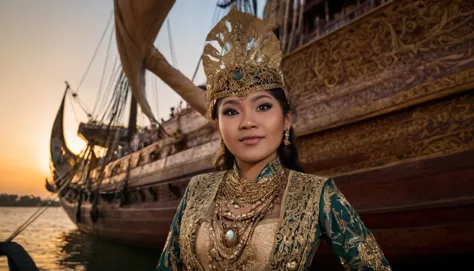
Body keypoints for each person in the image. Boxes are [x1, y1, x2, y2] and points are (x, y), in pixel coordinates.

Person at [156, 7, 390, 271]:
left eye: (263, 107)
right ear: (219, 125)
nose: (247, 122)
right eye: (231, 111)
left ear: (286, 119)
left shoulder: (317, 196)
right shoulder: (197, 190)